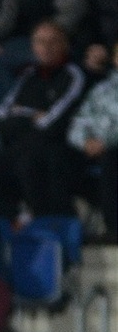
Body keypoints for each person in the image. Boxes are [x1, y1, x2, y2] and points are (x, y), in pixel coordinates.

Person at [0, 20, 86, 218]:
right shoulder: (28, 75)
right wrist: (31, 116)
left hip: (62, 147)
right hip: (25, 145)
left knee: (33, 157)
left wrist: (21, 114)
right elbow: (1, 118)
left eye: (53, 41)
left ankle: (46, 219)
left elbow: (52, 124)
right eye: (40, 42)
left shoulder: (73, 74)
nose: (46, 47)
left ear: (65, 45)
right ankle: (10, 219)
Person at [67, 42, 118, 243]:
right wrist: (85, 141)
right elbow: (79, 122)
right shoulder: (101, 90)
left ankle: (114, 228)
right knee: (59, 160)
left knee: (110, 160)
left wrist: (105, 141)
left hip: (110, 150)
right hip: (98, 149)